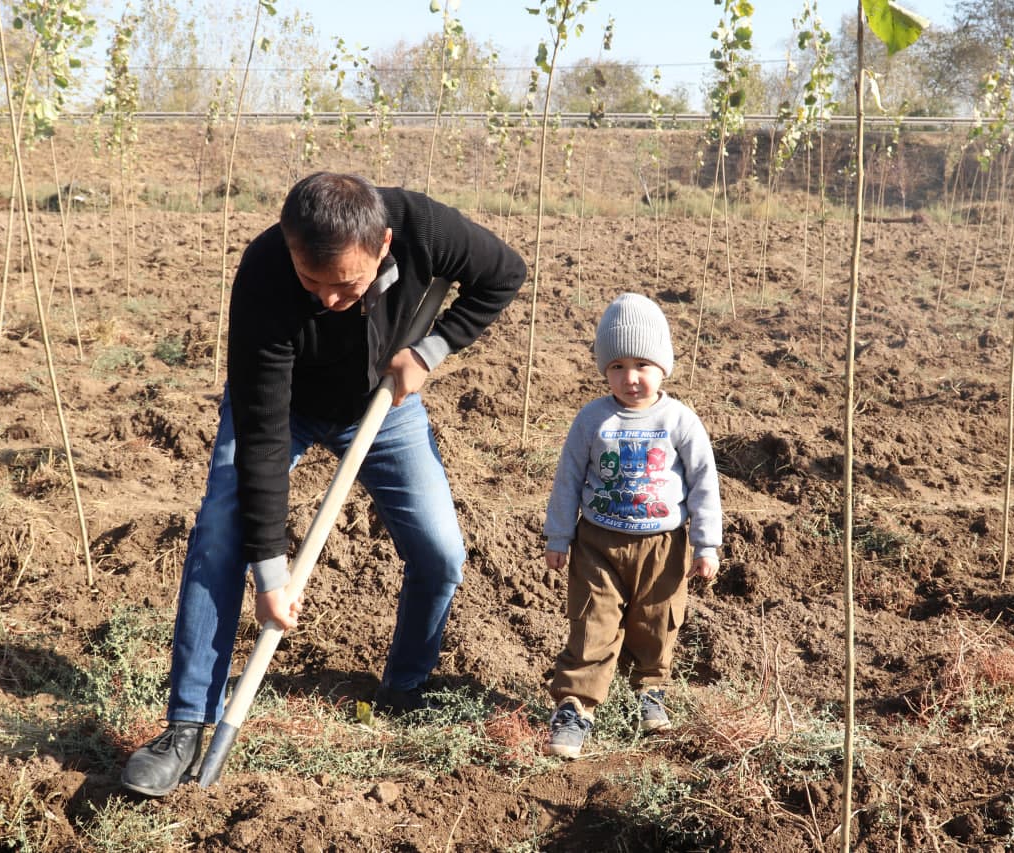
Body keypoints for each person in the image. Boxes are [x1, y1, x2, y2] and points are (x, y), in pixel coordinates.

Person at [121, 172, 526, 796]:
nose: (331, 300)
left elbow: (504, 272)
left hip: (385, 404)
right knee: (220, 533)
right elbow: (258, 436)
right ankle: (184, 727)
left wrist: (431, 351)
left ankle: (404, 688)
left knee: (441, 553)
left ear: (385, 243)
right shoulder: (264, 275)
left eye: (348, 285)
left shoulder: (425, 229)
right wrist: (271, 574)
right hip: (281, 409)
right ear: (289, 248)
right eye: (314, 284)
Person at [541, 293, 722, 759]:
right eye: (617, 366)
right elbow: (567, 479)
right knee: (591, 624)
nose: (631, 377)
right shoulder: (592, 419)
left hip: (664, 546)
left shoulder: (680, 420)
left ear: (663, 366)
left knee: (657, 623)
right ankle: (575, 707)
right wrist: (558, 535)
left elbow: (704, 483)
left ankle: (650, 690)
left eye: (642, 364)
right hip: (598, 543)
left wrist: (706, 545)